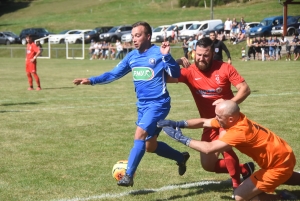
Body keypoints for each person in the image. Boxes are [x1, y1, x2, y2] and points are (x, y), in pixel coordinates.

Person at [73, 21, 190, 187]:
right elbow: (113, 74)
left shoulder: (159, 52)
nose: (134, 39)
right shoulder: (132, 57)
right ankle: (180, 157)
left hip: (159, 104)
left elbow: (176, 73)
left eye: (138, 35)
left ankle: (128, 176)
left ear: (148, 36)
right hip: (142, 106)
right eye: (133, 36)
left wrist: (168, 56)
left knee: (139, 135)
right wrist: (91, 80)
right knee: (150, 146)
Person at [157, 100, 300, 201]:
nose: (216, 119)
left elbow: (209, 148)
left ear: (230, 118)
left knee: (239, 197)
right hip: (284, 156)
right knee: (286, 175)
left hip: (277, 165)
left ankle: (282, 197)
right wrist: (178, 123)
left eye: (218, 116)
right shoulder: (236, 118)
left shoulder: (238, 132)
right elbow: (204, 122)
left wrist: (180, 138)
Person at [169, 37, 252, 196]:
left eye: (205, 55)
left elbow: (245, 89)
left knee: (224, 146)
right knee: (207, 165)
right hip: (208, 123)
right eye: (198, 55)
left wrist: (227, 105)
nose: (201, 58)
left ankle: (237, 186)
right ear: (193, 53)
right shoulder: (189, 72)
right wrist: (177, 61)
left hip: (228, 121)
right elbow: (163, 76)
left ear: (213, 54)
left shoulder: (225, 68)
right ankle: (244, 169)